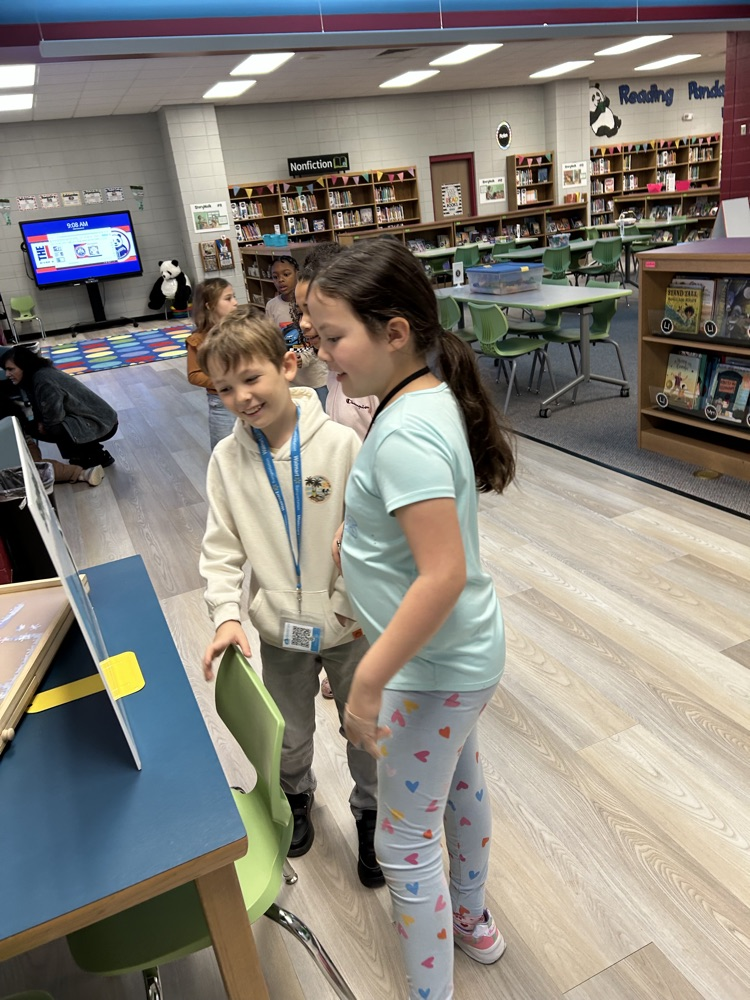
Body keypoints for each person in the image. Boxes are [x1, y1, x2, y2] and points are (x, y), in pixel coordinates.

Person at [307, 238, 516, 1000]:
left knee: (401, 842)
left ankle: (433, 990)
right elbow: (420, 536)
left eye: (333, 338)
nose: (321, 354)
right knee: (458, 782)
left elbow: (443, 572)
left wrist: (366, 686)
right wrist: (356, 539)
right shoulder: (418, 398)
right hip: (460, 660)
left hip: (430, 670)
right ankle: (472, 920)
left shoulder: (404, 432)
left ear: (394, 331)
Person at [198, 306, 383, 888]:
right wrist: (227, 614)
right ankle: (296, 797)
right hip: (280, 629)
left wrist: (357, 601)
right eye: (224, 389)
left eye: (251, 379)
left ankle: (373, 814)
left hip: (351, 625)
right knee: (287, 727)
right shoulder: (227, 460)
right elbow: (222, 546)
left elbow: (370, 535)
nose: (241, 398)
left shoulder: (342, 445)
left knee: (366, 728)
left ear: (287, 365)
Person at [295, 244, 378, 442]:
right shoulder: (335, 372)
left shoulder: (376, 379)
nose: (303, 323)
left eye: (312, 310)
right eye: (300, 312)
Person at [2, 346, 118, 471]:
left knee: (51, 427)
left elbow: (54, 417)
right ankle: (87, 453)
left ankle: (93, 455)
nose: (7, 374)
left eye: (11, 369)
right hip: (99, 418)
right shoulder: (37, 375)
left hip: (102, 423)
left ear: (24, 366)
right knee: (42, 426)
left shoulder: (43, 380)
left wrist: (42, 424)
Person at [0, 392, 103, 485]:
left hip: (18, 443)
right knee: (29, 469)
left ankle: (82, 473)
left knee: (29, 469)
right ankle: (82, 473)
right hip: (17, 442)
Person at [186, 278, 239, 449]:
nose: (235, 302)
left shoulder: (242, 331)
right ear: (209, 306)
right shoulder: (198, 340)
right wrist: (224, 382)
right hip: (222, 404)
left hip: (252, 397)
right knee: (224, 452)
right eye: (228, 298)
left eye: (234, 297)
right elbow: (194, 375)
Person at [264, 255, 299, 335]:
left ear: (297, 274)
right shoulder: (271, 305)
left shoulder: (308, 301)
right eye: (275, 277)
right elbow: (271, 335)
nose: (280, 280)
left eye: (286, 274)